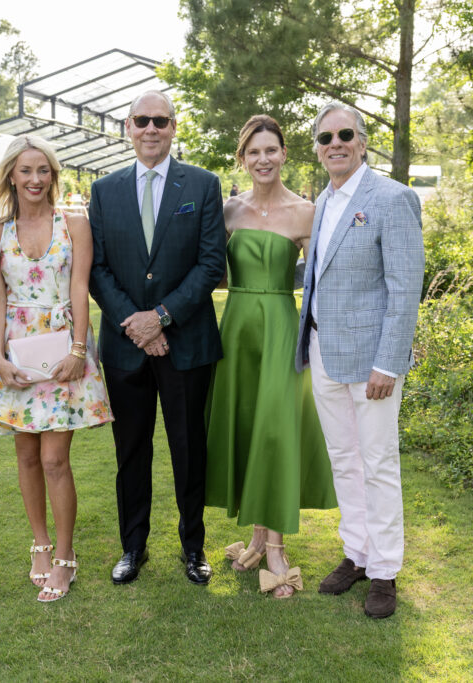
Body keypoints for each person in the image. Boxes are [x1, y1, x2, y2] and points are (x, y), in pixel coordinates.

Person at [88, 90, 226, 586]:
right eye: (142, 120)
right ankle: (133, 546)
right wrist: (137, 324)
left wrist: (162, 317)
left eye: (161, 121)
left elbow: (212, 263)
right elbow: (97, 268)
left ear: (173, 127)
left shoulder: (204, 185)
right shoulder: (103, 190)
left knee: (190, 450)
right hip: (127, 347)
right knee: (131, 451)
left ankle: (194, 548)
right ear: (127, 127)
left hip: (186, 344)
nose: (151, 129)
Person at [0, 136, 112, 602]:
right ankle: (40, 546)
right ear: (11, 174)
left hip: (63, 351)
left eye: (44, 170)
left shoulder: (75, 224)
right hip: (15, 353)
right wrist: (0, 355)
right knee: (26, 456)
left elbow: (80, 288)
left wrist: (77, 349)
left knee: (54, 459)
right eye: (26, 171)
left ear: (54, 175)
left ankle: (66, 558)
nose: (35, 179)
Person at [295, 102, 424, 618]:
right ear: (318, 148)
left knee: (378, 463)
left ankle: (386, 571)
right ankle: (358, 553)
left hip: (372, 361)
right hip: (325, 351)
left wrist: (388, 364)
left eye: (345, 134)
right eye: (325, 138)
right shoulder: (324, 201)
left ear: (363, 140)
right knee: (344, 460)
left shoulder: (392, 198)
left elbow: (404, 289)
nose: (335, 144)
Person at [206, 115, 337, 599]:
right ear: (242, 158)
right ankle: (258, 536)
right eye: (253, 152)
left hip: (282, 325)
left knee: (276, 429)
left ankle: (278, 550)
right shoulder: (227, 210)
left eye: (271, 150)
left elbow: (328, 276)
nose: (262, 159)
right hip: (237, 329)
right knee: (247, 427)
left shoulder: (306, 212)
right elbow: (205, 270)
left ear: (284, 154)